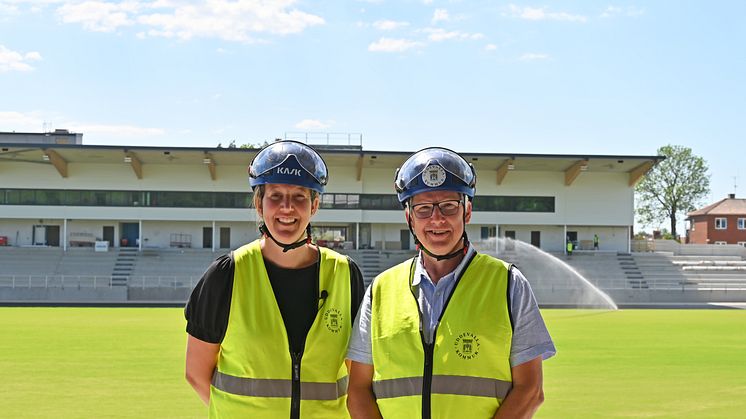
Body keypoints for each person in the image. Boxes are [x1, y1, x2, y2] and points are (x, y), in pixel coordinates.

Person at [346, 147, 556, 419]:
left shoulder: (508, 284)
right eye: (423, 209)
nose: (437, 219)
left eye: (448, 206)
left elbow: (530, 390)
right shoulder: (381, 290)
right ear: (409, 217)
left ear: (466, 212)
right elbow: (358, 390)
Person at [184, 140, 365, 418]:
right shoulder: (226, 275)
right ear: (259, 203)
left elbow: (357, 378)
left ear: (314, 205)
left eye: (299, 197)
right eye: (276, 196)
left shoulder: (345, 274)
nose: (287, 208)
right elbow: (196, 374)